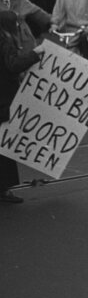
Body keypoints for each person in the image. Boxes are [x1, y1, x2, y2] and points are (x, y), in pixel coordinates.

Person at [0, 11, 42, 204]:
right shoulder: (6, 41)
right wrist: (35, 55)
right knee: (4, 147)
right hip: (4, 98)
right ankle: (4, 188)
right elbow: (13, 65)